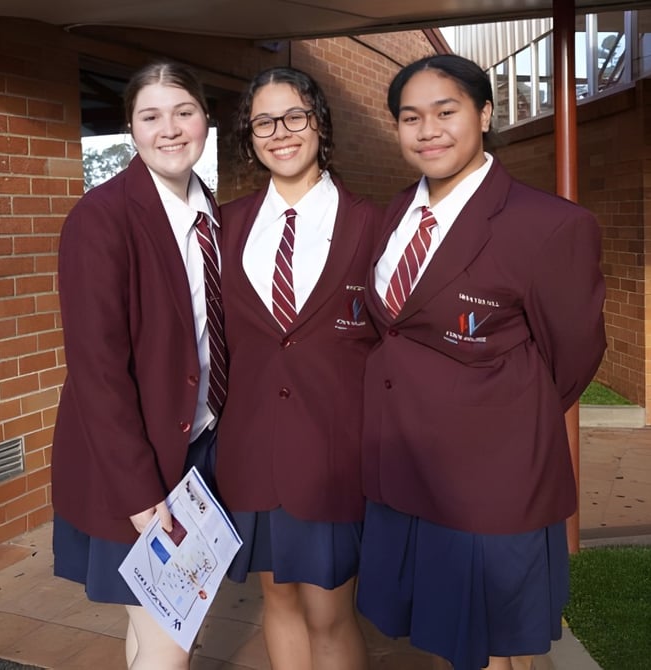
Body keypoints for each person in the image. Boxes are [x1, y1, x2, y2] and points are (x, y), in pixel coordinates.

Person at [356, 54, 607, 670]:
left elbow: (572, 356)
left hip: (491, 479)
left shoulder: (548, 224)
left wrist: (502, 415)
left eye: (447, 112)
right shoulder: (397, 211)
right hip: (406, 464)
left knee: (499, 649)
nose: (428, 130)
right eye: (410, 117)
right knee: (444, 635)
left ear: (485, 114)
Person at [50, 60, 223, 670]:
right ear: (131, 128)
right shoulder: (101, 218)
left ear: (206, 120)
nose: (169, 129)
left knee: (154, 625)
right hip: (141, 466)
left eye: (184, 112)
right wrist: (141, 493)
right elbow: (96, 371)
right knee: (171, 636)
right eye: (151, 116)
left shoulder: (217, 218)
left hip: (199, 451)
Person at [215, 67, 378, 670]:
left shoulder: (371, 224)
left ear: (319, 123)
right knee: (276, 600)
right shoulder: (226, 225)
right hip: (251, 451)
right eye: (263, 121)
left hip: (333, 455)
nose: (280, 132)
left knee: (330, 613)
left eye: (294, 116)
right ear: (248, 134)